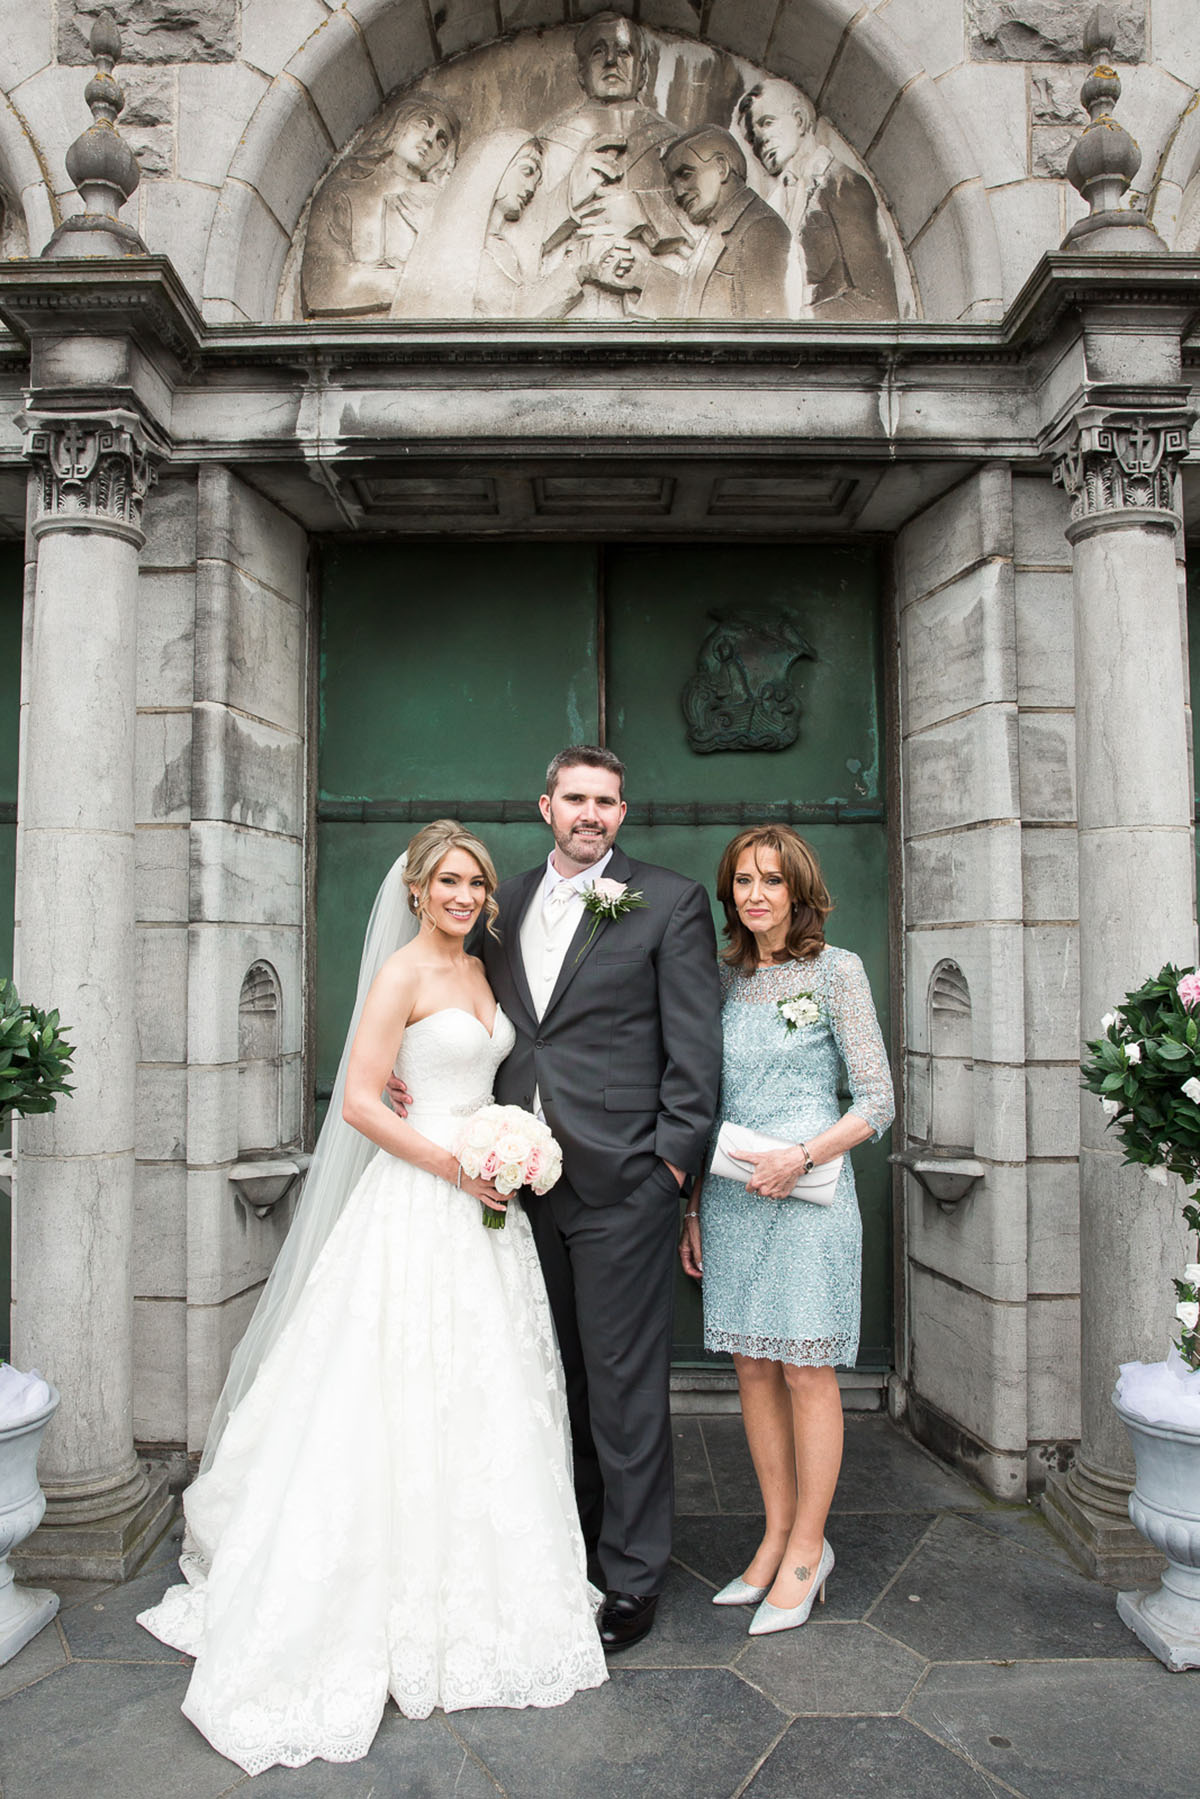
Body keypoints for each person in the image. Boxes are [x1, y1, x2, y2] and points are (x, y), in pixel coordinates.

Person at [137, 821, 607, 1776]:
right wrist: (457, 1163)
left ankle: (482, 1584)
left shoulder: (484, 971)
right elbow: (358, 1100)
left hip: (488, 1212)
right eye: (447, 880)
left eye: (476, 881)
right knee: (389, 1388)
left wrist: (505, 1149)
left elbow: (489, 1071)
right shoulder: (401, 973)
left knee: (486, 1393)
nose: (465, 894)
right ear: (417, 886)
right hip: (422, 1197)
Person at [394, 749, 722, 1650]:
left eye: (606, 801)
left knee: (622, 1385)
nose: (590, 813)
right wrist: (398, 1080)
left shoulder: (670, 899)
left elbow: (696, 1059)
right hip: (515, 1188)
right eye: (574, 798)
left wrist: (670, 1174)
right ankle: (564, 1544)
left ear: (623, 810)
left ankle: (632, 1575)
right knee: (547, 1374)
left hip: (625, 1187)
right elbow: (474, 1022)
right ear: (546, 805)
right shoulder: (504, 906)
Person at [679, 825, 893, 1635]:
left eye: (772, 879)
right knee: (753, 1369)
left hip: (810, 1197)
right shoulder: (721, 980)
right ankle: (772, 1533)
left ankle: (810, 1547)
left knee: (807, 1371)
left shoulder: (837, 972)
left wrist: (802, 1156)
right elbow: (702, 1099)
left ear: (799, 889)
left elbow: (876, 1099)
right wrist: (693, 1206)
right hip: (734, 1196)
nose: (757, 894)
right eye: (742, 880)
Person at [736, 79, 900, 320]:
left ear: (800, 120)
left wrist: (796, 320)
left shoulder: (842, 185)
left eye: (767, 123)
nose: (761, 140)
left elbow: (876, 304)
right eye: (752, 137)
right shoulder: (774, 203)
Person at [599, 126, 790, 320]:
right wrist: (643, 275)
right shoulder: (721, 227)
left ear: (721, 168)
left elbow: (767, 332)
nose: (678, 193)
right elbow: (697, 302)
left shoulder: (760, 229)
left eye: (686, 174)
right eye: (673, 184)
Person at [301, 94, 460, 317]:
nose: (429, 140)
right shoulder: (345, 191)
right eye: (423, 124)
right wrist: (412, 282)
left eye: (441, 141)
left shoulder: (443, 205)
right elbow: (322, 286)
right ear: (398, 123)